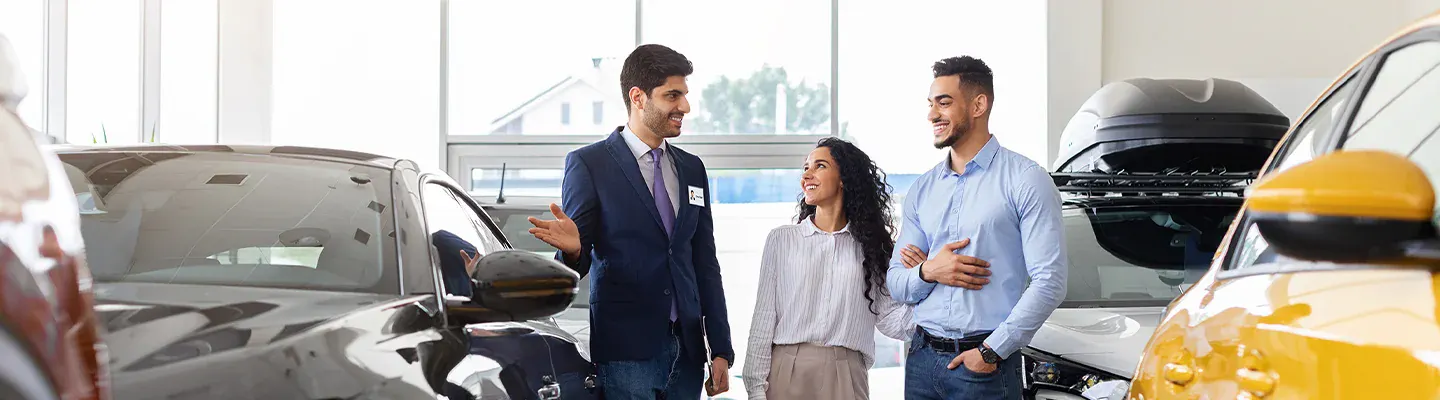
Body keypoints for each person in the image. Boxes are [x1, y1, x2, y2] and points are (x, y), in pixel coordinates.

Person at [526, 44, 734, 399]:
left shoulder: (692, 169)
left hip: (687, 352)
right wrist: (576, 251)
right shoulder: (589, 165)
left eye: (684, 95)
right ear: (638, 97)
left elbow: (704, 263)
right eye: (673, 95)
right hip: (626, 354)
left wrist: (720, 349)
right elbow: (575, 266)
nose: (684, 106)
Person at [886, 56, 1068, 399]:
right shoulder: (922, 190)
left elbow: (1050, 282)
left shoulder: (1027, 180)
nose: (931, 114)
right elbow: (896, 283)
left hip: (984, 366)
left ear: (978, 104)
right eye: (930, 104)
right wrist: (929, 271)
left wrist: (991, 351)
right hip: (921, 361)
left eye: (944, 102)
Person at [741, 138, 915, 400]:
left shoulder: (872, 248)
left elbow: (892, 321)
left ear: (844, 177)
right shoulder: (781, 240)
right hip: (786, 369)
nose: (807, 175)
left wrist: (927, 283)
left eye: (819, 166)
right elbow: (764, 319)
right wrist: (755, 390)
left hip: (846, 372)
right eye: (805, 168)